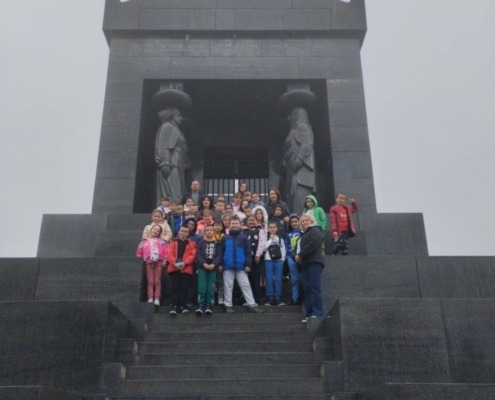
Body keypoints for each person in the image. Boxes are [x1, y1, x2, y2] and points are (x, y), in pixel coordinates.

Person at [218, 215, 264, 314]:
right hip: (227, 266)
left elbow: (248, 252)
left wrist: (248, 264)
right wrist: (220, 264)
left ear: (240, 225)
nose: (234, 225)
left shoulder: (243, 238)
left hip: (241, 266)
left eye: (236, 223)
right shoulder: (225, 238)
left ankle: (252, 305)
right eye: (232, 223)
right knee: (228, 286)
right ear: (229, 225)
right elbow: (220, 252)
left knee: (246, 285)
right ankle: (228, 305)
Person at [282, 107, 316, 214]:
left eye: (292, 114)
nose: (289, 118)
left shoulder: (302, 126)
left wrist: (300, 158)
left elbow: (307, 145)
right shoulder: (293, 130)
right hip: (292, 170)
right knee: (293, 197)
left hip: (300, 172)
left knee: (299, 196)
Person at [155, 107, 190, 204]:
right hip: (172, 161)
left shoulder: (176, 128)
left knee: (178, 189)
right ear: (172, 115)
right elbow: (163, 145)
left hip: (179, 161)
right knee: (173, 189)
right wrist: (165, 162)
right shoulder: (167, 126)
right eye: (179, 115)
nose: (181, 118)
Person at [295, 214, 325, 322]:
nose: (304, 222)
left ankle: (317, 313)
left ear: (311, 221)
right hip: (304, 264)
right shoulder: (301, 235)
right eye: (302, 221)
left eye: (306, 220)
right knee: (306, 289)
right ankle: (309, 313)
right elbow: (296, 249)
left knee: (314, 288)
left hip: (314, 262)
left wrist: (300, 255)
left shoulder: (315, 230)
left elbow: (314, 243)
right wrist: (295, 255)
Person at [166, 224, 197, 315]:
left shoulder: (192, 244)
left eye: (186, 231)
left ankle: (184, 306)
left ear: (188, 233)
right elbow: (169, 254)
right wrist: (174, 263)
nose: (183, 233)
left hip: (186, 268)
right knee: (174, 287)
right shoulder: (173, 242)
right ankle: (174, 305)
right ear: (179, 231)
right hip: (174, 268)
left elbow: (192, 255)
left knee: (185, 287)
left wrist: (185, 263)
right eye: (182, 231)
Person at [136, 224, 168, 306]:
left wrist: (165, 260)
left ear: (159, 233)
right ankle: (150, 297)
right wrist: (139, 258)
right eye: (154, 229)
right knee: (150, 280)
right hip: (148, 262)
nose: (155, 231)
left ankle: (157, 298)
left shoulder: (162, 241)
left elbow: (166, 251)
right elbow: (139, 251)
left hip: (159, 262)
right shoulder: (144, 241)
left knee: (157, 280)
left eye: (158, 231)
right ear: (151, 229)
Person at [195, 225, 221, 315]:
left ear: (213, 232)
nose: (209, 232)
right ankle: (200, 304)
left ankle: (209, 304)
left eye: (211, 230)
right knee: (202, 286)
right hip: (202, 268)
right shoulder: (201, 243)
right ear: (204, 232)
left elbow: (219, 255)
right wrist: (204, 264)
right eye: (207, 230)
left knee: (211, 286)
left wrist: (214, 264)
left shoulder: (217, 244)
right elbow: (198, 254)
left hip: (213, 268)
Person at [242, 215, 267, 305]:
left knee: (255, 279)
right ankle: (248, 300)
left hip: (256, 258)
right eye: (249, 220)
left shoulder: (260, 230)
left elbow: (262, 243)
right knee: (247, 280)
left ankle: (256, 299)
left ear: (256, 221)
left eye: (253, 220)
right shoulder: (243, 232)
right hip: (246, 259)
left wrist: (258, 255)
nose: (251, 222)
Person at [264, 221, 286, 306]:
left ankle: (278, 298)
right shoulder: (266, 238)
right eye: (270, 227)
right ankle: (270, 298)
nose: (272, 229)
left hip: (278, 261)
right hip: (268, 260)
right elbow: (264, 248)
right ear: (268, 229)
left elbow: (283, 249)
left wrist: (282, 259)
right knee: (269, 279)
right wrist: (270, 240)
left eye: (274, 227)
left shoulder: (280, 239)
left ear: (277, 228)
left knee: (278, 279)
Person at [285, 214, 302, 305]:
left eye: (296, 221)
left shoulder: (302, 232)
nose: (294, 223)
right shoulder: (288, 234)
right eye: (292, 222)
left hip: (302, 257)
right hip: (291, 257)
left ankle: (303, 297)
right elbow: (287, 246)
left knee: (302, 278)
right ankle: (295, 298)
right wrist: (292, 254)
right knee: (294, 279)